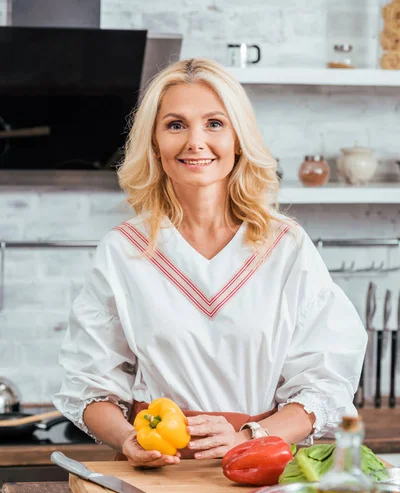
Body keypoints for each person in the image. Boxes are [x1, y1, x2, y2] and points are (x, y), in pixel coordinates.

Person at [53, 58, 367, 469]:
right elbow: (89, 386)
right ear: (154, 143)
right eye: (175, 125)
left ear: (238, 139)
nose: (195, 142)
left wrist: (249, 436)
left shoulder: (286, 246)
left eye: (215, 124)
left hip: (260, 466)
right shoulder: (123, 251)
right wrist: (129, 439)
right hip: (159, 472)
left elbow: (325, 384)